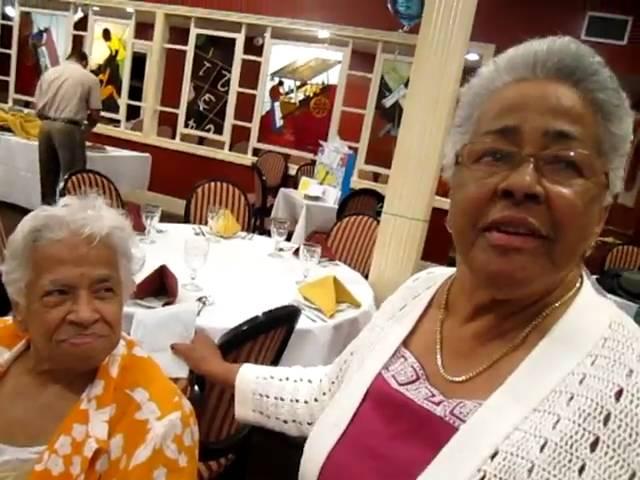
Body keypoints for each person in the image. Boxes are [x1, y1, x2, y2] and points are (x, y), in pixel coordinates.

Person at [172, 36, 640, 479]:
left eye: (564, 163)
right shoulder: (421, 292)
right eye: (495, 154)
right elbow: (330, 393)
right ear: (453, 182)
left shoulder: (627, 391)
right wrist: (223, 370)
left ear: (603, 207)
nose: (521, 183)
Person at [0, 196, 198, 478]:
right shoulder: (5, 341)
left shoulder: (158, 424)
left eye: (104, 291)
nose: (84, 315)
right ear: (20, 308)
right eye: (59, 293)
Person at [34, 50, 102, 205]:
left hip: (45, 126)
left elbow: (36, 105)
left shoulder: (49, 74)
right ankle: (69, 216)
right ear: (84, 63)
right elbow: (95, 113)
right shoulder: (89, 78)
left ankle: (46, 212)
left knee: (47, 176)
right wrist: (86, 130)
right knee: (73, 177)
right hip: (68, 126)